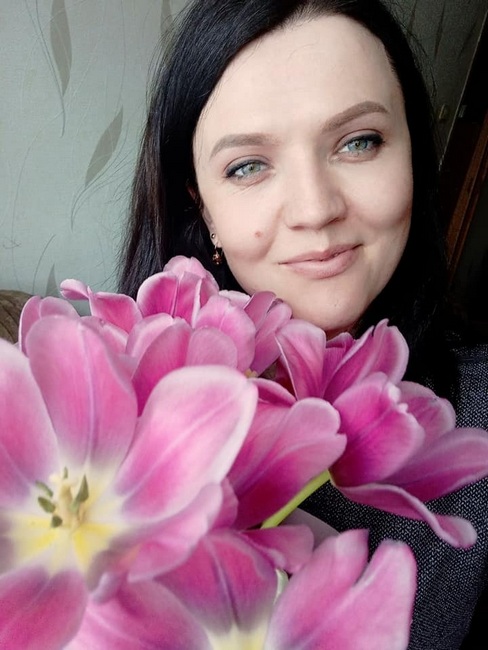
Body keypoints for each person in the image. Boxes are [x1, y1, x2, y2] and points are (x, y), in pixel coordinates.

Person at [119, 1, 488, 648]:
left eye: (358, 141)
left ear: (413, 153)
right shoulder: (113, 404)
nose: (315, 210)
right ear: (203, 210)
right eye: (248, 165)